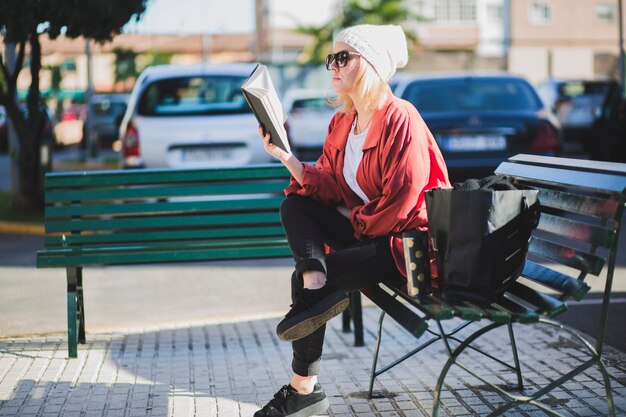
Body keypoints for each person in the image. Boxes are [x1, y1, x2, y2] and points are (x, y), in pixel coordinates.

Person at [254, 24, 450, 417]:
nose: (333, 66)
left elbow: (403, 200)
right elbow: (326, 184)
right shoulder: (343, 122)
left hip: (406, 248)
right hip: (369, 237)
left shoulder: (401, 118)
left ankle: (303, 391)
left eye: (342, 57)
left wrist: (353, 220)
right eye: (331, 58)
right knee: (295, 208)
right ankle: (315, 280)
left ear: (372, 64)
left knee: (309, 285)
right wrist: (286, 157)